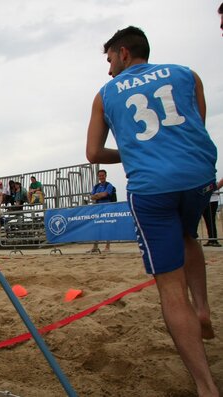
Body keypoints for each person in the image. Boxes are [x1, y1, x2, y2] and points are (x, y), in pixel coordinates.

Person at [85, 26, 218, 396]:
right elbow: (196, 126)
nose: (109, 67)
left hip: (152, 187)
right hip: (198, 175)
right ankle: (203, 309)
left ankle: (206, 386)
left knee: (171, 288)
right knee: (188, 235)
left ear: (124, 53)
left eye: (109, 58)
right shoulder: (187, 73)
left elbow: (94, 154)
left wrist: (132, 151)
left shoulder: (106, 94)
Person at [88, 169, 116, 253]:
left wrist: (97, 195)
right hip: (98, 208)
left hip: (108, 208)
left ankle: (107, 247)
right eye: (100, 175)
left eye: (103, 175)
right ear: (98, 177)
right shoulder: (96, 186)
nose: (101, 177)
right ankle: (95, 246)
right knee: (96, 226)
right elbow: (92, 197)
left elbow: (105, 194)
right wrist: (98, 195)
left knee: (107, 226)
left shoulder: (109, 185)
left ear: (105, 176)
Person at [202, 179, 223, 247]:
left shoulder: (210, 178)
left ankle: (214, 240)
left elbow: (213, 187)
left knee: (210, 220)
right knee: (208, 221)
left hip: (212, 200)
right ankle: (211, 239)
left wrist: (203, 191)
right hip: (206, 200)